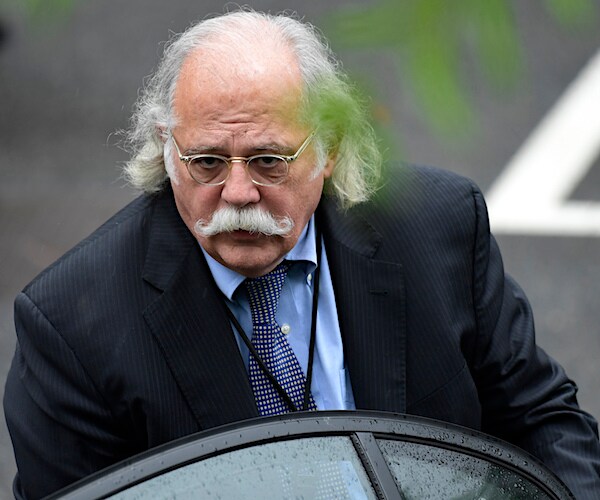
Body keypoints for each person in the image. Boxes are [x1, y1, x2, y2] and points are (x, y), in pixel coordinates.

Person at [4, 9, 600, 499]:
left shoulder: (439, 228)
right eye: (207, 161)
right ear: (167, 151)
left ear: (331, 149)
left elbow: (541, 420)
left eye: (269, 160)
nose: (237, 194)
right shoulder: (70, 327)